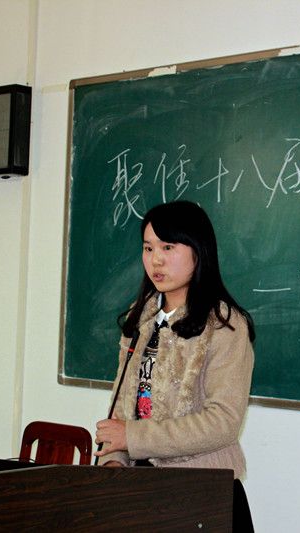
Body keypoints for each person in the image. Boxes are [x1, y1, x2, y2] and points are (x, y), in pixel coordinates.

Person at [95, 200, 256, 532]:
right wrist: (114, 460)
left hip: (203, 495)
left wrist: (132, 437)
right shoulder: (140, 318)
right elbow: (122, 408)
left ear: (198, 252)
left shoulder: (224, 325)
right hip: (141, 492)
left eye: (168, 247)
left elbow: (223, 422)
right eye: (148, 248)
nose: (156, 259)